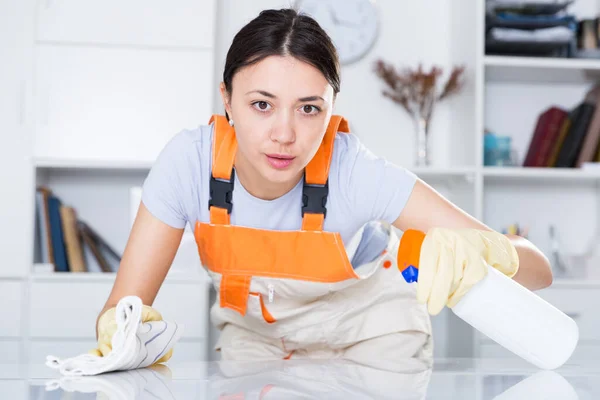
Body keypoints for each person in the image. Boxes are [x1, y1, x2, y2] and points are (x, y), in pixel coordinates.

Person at [90, 8, 552, 363]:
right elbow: (119, 309)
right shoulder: (187, 165)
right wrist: (122, 332)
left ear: (331, 109)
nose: (285, 134)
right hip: (257, 340)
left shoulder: (355, 171)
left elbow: (540, 272)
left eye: (309, 108)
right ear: (227, 99)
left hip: (373, 335)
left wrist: (492, 254)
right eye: (261, 104)